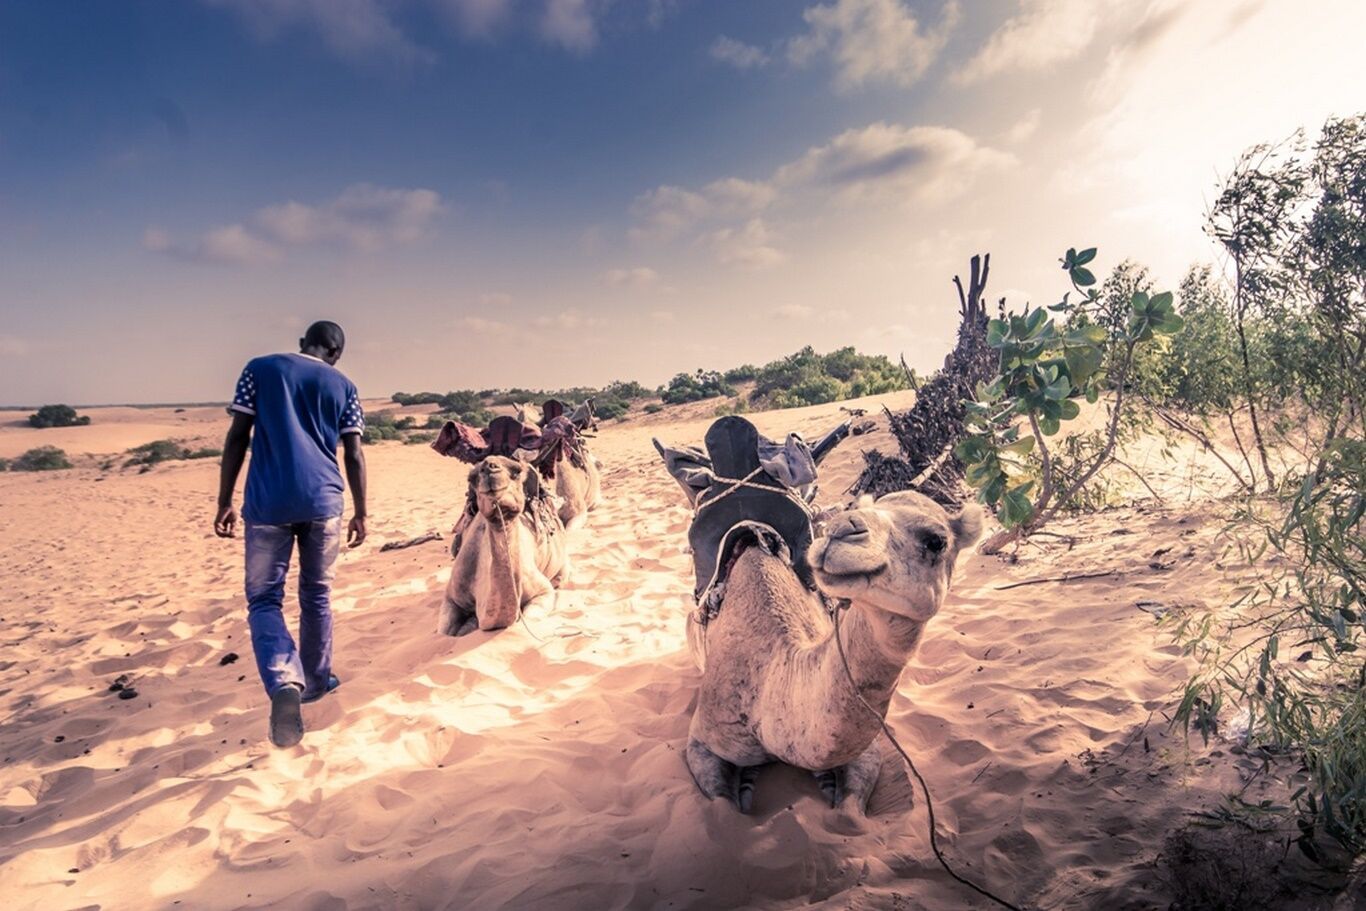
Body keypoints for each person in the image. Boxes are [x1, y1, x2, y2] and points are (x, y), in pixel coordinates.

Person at [214, 320, 368, 747]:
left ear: (303, 343)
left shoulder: (259, 369)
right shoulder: (344, 385)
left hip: (268, 503)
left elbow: (237, 437)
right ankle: (316, 681)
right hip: (324, 503)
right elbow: (354, 454)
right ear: (336, 353)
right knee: (316, 594)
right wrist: (361, 512)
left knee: (264, 599)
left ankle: (284, 681)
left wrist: (224, 500)